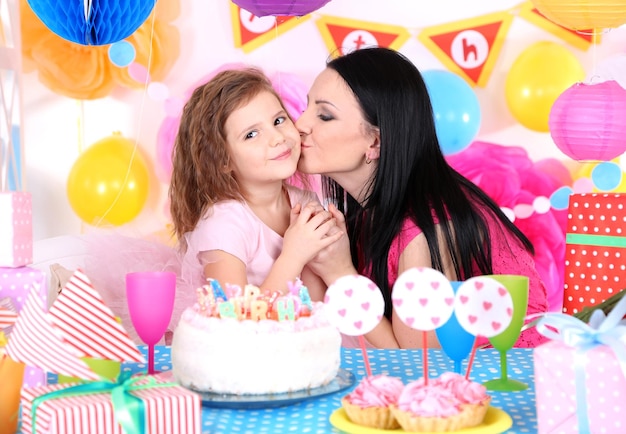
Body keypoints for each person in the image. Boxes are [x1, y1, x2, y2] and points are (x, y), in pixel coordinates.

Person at [295, 47, 548, 349]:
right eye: (307, 107)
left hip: (505, 385)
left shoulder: (424, 227)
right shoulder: (364, 216)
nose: (300, 125)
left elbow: (417, 365)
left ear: (375, 141)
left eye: (324, 116)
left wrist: (341, 274)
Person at [169, 67, 342, 303]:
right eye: (251, 134)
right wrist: (294, 255)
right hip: (247, 337)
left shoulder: (306, 202)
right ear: (223, 161)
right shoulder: (223, 225)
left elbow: (315, 305)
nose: (277, 138)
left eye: (279, 120)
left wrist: (328, 251)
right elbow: (235, 320)